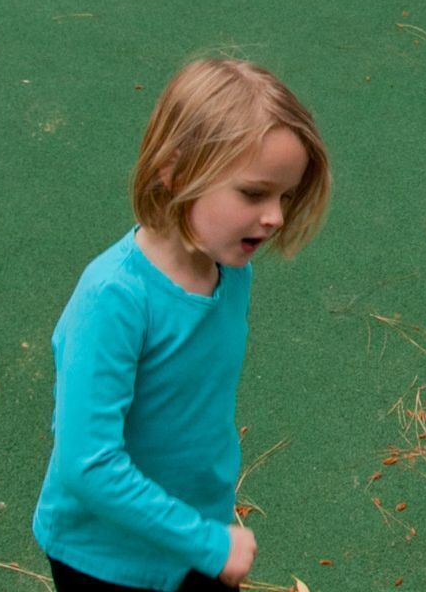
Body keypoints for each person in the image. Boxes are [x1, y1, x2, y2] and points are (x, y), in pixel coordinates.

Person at [33, 59, 332, 592]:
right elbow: (87, 463)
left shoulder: (229, 270)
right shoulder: (113, 298)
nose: (276, 217)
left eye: (284, 197)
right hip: (107, 557)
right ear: (175, 172)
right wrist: (207, 542)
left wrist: (207, 531)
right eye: (253, 193)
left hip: (197, 530)